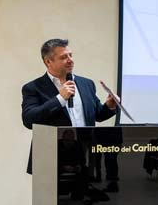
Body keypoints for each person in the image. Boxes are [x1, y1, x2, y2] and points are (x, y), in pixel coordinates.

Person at [22, 38, 119, 174]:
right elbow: (29, 120)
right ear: (48, 61)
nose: (70, 60)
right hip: (50, 156)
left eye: (71, 55)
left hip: (82, 153)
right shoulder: (33, 87)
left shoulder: (86, 84)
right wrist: (60, 99)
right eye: (63, 57)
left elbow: (98, 115)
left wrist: (110, 106)